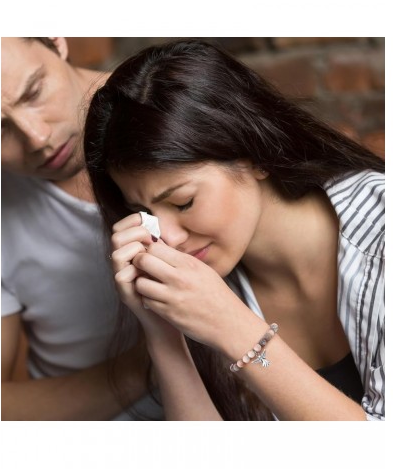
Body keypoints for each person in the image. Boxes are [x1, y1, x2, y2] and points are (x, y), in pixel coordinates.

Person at [83, 39, 385, 421]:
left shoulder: (381, 233)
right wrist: (163, 333)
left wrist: (233, 327)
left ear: (257, 154)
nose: (169, 240)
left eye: (183, 203)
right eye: (145, 213)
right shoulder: (201, 288)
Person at [1, 37, 163, 420]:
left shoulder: (177, 108)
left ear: (57, 40)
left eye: (34, 92)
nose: (36, 137)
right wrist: (156, 356)